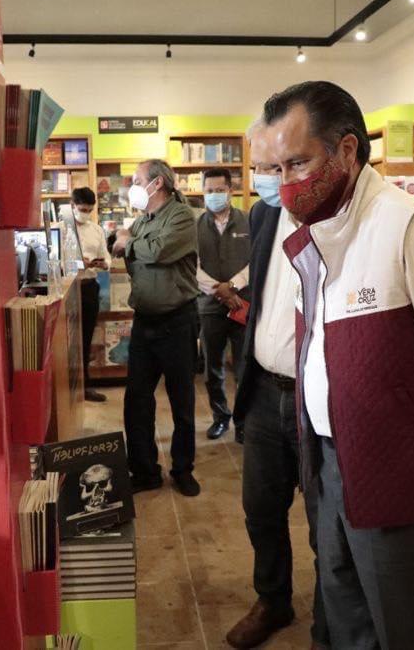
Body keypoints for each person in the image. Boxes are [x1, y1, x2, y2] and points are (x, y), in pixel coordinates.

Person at [261, 81, 414, 650]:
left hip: (405, 480)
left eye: (297, 162)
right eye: (277, 167)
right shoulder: (316, 233)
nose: (285, 183)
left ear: (347, 151)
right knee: (345, 620)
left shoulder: (413, 228)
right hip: (329, 464)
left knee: (409, 631)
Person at [226, 122, 330, 649]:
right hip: (266, 393)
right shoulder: (263, 214)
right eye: (264, 167)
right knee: (260, 508)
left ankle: (331, 622)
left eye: (282, 165)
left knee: (324, 521)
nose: (269, 178)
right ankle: (273, 600)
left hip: (319, 401)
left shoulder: (338, 219)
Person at [112, 159, 201, 497]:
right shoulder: (144, 219)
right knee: (136, 400)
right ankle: (145, 470)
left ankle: (183, 469)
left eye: (137, 180)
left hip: (177, 321)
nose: (132, 186)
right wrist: (121, 240)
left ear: (158, 183)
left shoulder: (181, 216)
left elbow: (159, 251)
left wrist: (127, 241)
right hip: (145, 321)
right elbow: (122, 248)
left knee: (182, 401)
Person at [196, 168, 251, 441]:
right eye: (209, 191)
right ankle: (221, 418)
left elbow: (257, 258)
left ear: (231, 190)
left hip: (242, 303)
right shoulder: (194, 225)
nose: (214, 195)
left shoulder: (248, 220)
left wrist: (234, 287)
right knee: (212, 367)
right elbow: (190, 266)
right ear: (202, 192)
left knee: (243, 366)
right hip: (208, 306)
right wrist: (219, 291)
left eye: (219, 190)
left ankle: (242, 421)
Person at [72, 186, 111, 403]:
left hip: (89, 286)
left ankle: (86, 386)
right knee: (68, 339)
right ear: (73, 206)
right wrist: (79, 262)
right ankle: (68, 386)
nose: (85, 213)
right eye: (81, 209)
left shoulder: (96, 229)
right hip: (70, 287)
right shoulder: (62, 227)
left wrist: (105, 263)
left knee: (86, 337)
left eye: (88, 209)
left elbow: (105, 254)